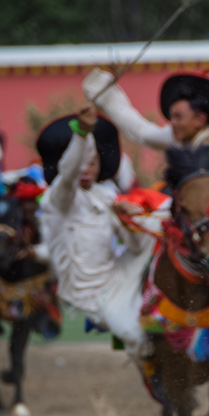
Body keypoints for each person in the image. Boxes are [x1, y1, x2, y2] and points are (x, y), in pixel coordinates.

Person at [83, 66, 209, 218]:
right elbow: (142, 132)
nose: (172, 123)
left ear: (200, 120)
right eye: (171, 117)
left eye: (178, 117)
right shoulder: (179, 138)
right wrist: (104, 90)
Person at [36, 107, 147, 334]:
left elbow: (137, 248)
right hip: (82, 290)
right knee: (135, 335)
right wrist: (82, 135)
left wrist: (128, 221)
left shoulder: (108, 197)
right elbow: (68, 176)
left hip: (113, 283)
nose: (86, 170)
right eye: (82, 163)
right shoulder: (59, 196)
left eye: (93, 163)